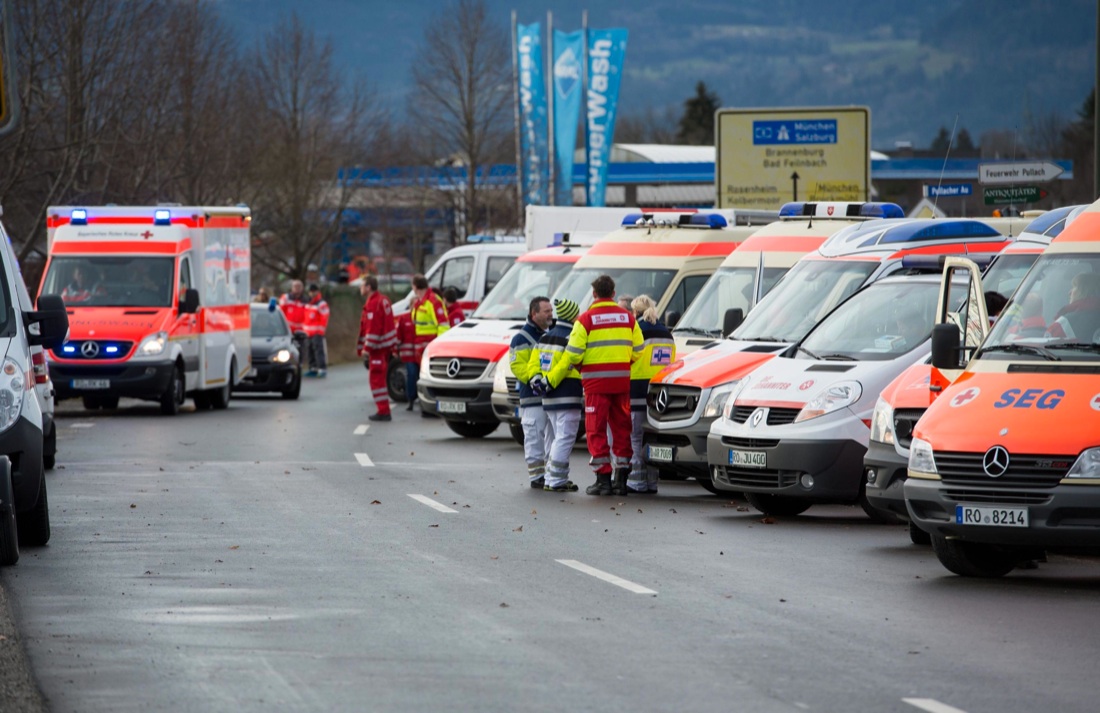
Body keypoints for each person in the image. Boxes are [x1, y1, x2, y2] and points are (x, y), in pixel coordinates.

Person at [543, 275, 642, 497]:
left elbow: (573, 353)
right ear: (613, 294)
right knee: (621, 429)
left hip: (595, 385)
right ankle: (621, 480)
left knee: (595, 431)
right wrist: (622, 365)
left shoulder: (585, 320)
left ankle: (603, 481)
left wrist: (584, 370)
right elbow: (639, 350)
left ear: (594, 294)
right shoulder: (628, 319)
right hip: (621, 384)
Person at [534, 298, 584, 492]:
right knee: (565, 438)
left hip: (549, 397)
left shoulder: (545, 337)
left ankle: (553, 477)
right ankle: (555, 480)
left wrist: (541, 382)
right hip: (567, 395)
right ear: (572, 316)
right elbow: (566, 364)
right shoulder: (572, 337)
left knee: (556, 438)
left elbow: (536, 364)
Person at [627, 295, 675, 494]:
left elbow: (629, 357)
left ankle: (636, 481)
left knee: (636, 438)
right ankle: (652, 482)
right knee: (652, 440)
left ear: (635, 312)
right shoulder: (666, 334)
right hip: (658, 395)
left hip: (637, 391)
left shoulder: (636, 331)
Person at [509, 296, 554, 488]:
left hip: (551, 396)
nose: (550, 314)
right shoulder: (521, 338)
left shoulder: (550, 334)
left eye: (551, 311)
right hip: (533, 396)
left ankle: (551, 475)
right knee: (534, 437)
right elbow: (517, 366)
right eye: (546, 311)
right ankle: (537, 477)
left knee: (552, 438)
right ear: (533, 313)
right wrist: (536, 380)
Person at [407, 274, 449, 413]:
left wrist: (439, 347)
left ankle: (430, 407)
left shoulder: (433, 301)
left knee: (429, 378)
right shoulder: (420, 301)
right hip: (420, 346)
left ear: (416, 286)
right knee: (421, 377)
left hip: (429, 346)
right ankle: (425, 405)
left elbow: (442, 324)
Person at [358, 276, 397, 421]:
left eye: (362, 285)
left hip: (378, 349)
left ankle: (383, 411)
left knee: (376, 380)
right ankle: (383, 409)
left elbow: (373, 329)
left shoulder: (374, 304)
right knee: (379, 378)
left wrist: (367, 348)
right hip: (385, 347)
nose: (360, 288)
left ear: (368, 287)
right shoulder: (384, 299)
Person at [1048, 272, 1100, 340]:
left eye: (1074, 287)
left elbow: (1045, 347)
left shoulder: (1063, 324)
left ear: (1084, 290)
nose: (1069, 292)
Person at [302, 284, 330, 377]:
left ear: (317, 291)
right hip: (308, 332)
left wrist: (321, 329)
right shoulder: (308, 303)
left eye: (314, 291)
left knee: (318, 350)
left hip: (317, 331)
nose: (312, 293)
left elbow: (324, 317)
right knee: (310, 350)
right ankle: (313, 368)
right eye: (311, 291)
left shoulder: (321, 303)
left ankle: (322, 368)